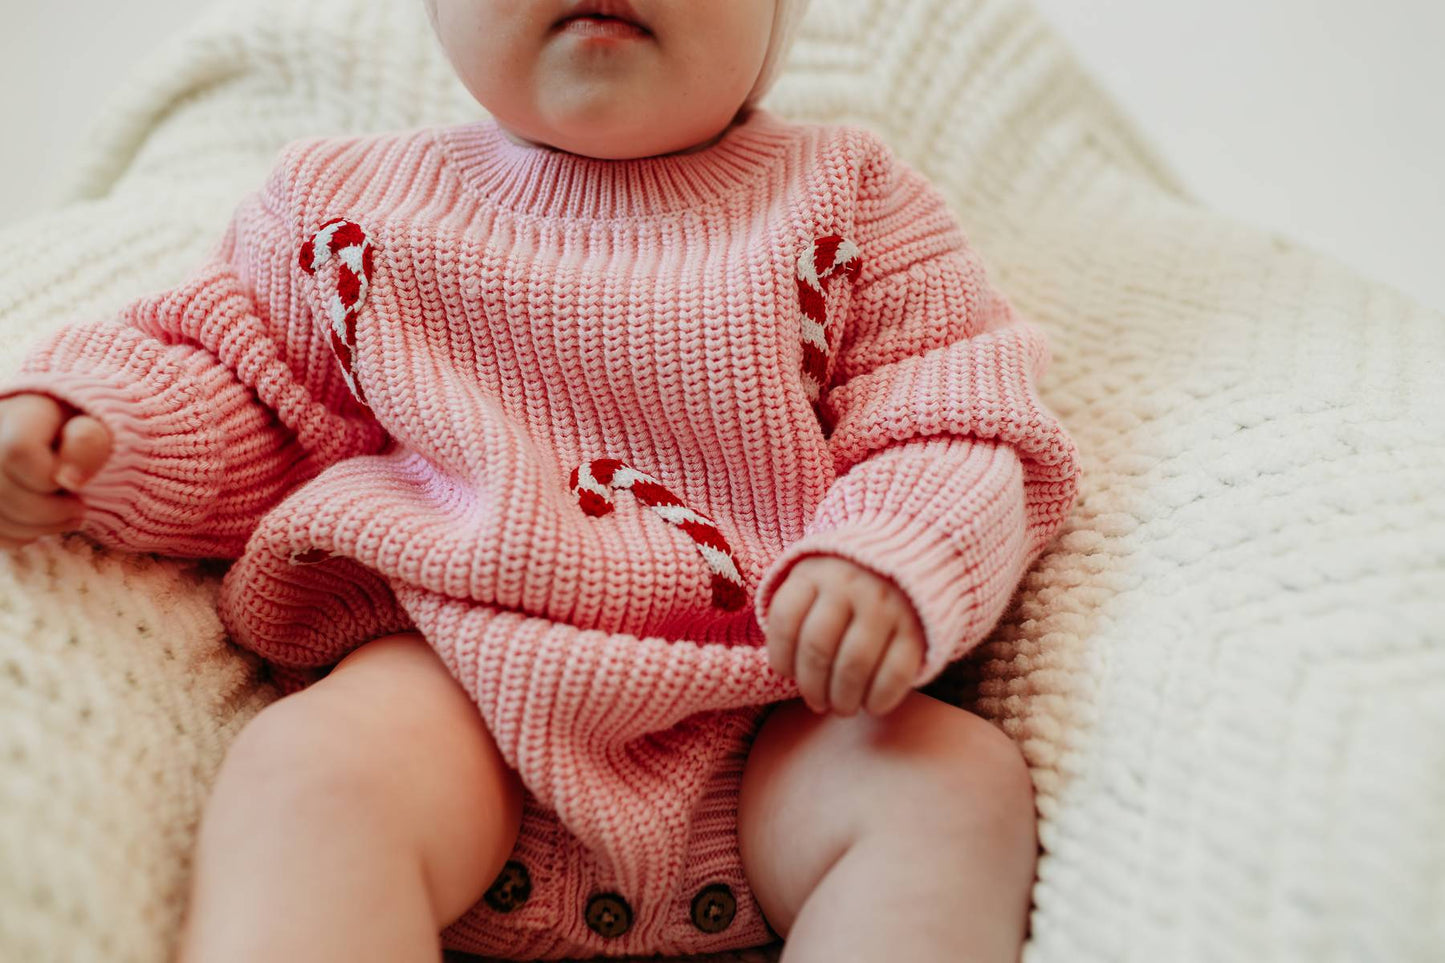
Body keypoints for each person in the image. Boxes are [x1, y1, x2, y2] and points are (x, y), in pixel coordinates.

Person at [0, 1, 1081, 960]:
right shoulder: (344, 209)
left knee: (949, 788)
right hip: (454, 693)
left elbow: (953, 415)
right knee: (312, 774)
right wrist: (93, 432)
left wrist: (887, 555)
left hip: (773, 711)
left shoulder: (852, 203)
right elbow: (243, 385)